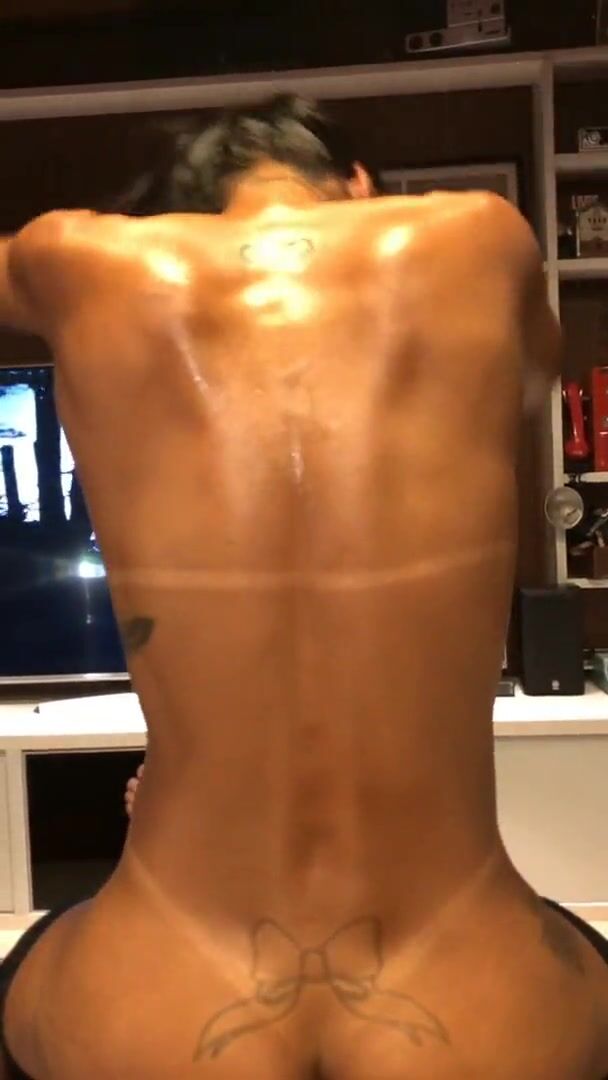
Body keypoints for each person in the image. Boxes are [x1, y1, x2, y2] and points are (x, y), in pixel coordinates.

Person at [0, 93, 606, 1080]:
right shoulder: (482, 236)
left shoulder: (76, 258)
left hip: (156, 1000)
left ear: (184, 213)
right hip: (478, 1004)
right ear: (356, 185)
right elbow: (533, 377)